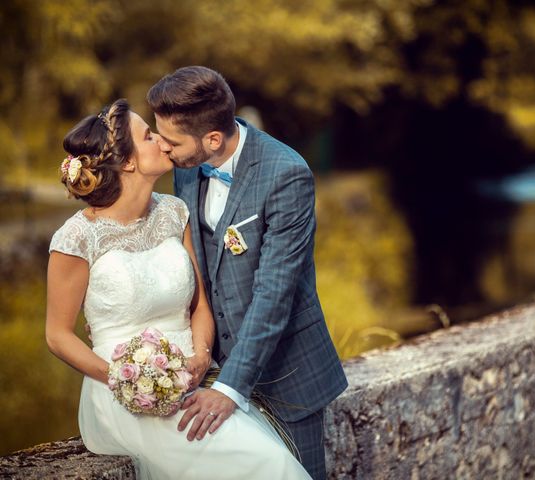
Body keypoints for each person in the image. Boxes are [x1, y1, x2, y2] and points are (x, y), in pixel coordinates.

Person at [46, 98, 312, 480]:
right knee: (269, 466)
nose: (162, 141)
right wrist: (125, 379)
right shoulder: (75, 238)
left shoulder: (174, 212)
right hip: (126, 394)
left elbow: (199, 303)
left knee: (270, 459)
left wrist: (202, 356)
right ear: (127, 162)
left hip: (196, 379)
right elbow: (57, 335)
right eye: (148, 135)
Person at [147, 66, 348, 479]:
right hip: (212, 370)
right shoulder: (186, 166)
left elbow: (275, 292)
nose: (162, 148)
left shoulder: (286, 174)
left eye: (171, 141)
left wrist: (229, 388)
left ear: (213, 139)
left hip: (289, 375)